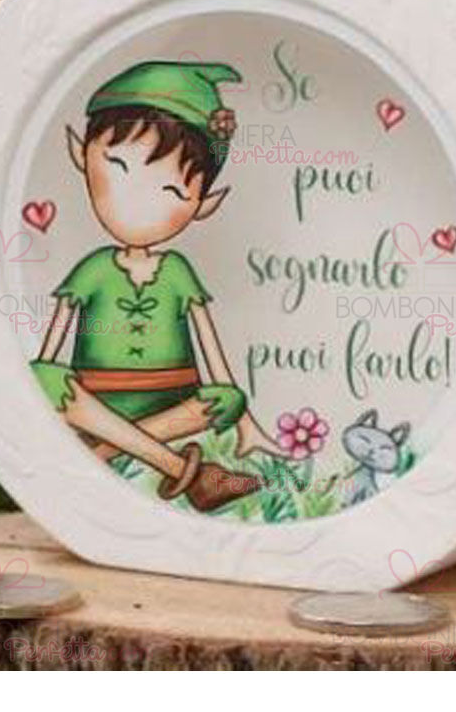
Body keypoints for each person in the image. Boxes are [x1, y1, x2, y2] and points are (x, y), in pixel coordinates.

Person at [32, 61, 281, 512]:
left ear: (203, 204)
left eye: (171, 192)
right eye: (117, 166)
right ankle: (191, 476)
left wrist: (244, 419)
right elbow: (50, 353)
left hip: (173, 402)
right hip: (96, 396)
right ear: (80, 154)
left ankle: (99, 452)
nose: (135, 202)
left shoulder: (178, 271)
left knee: (223, 398)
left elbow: (212, 354)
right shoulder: (94, 269)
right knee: (40, 378)